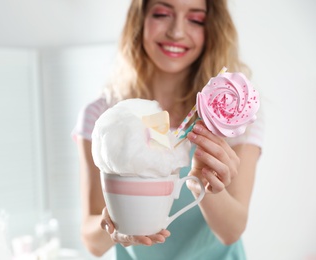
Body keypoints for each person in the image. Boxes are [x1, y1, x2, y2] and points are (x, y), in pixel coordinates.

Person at [72, 0, 264, 259]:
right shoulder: (103, 117)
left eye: (195, 19)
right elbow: (92, 241)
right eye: (162, 14)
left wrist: (202, 184)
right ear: (139, 20)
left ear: (212, 28)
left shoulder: (231, 118)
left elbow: (231, 232)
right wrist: (113, 225)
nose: (176, 32)